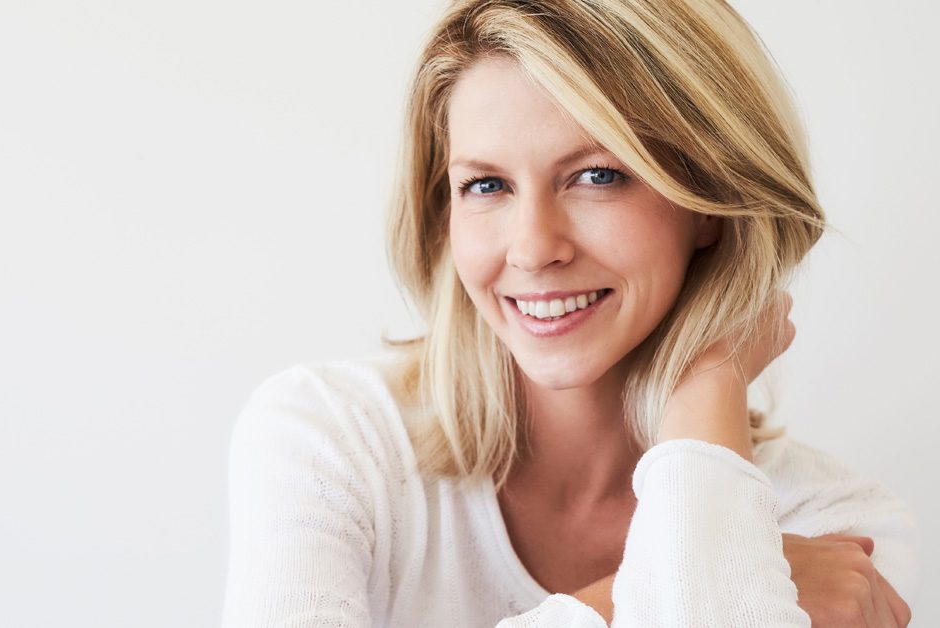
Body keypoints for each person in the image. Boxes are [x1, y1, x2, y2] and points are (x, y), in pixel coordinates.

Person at [222, 0, 921, 626]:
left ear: (710, 203)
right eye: (487, 184)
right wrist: (642, 595)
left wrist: (710, 383)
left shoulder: (837, 528)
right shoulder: (330, 440)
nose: (532, 249)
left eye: (598, 176)